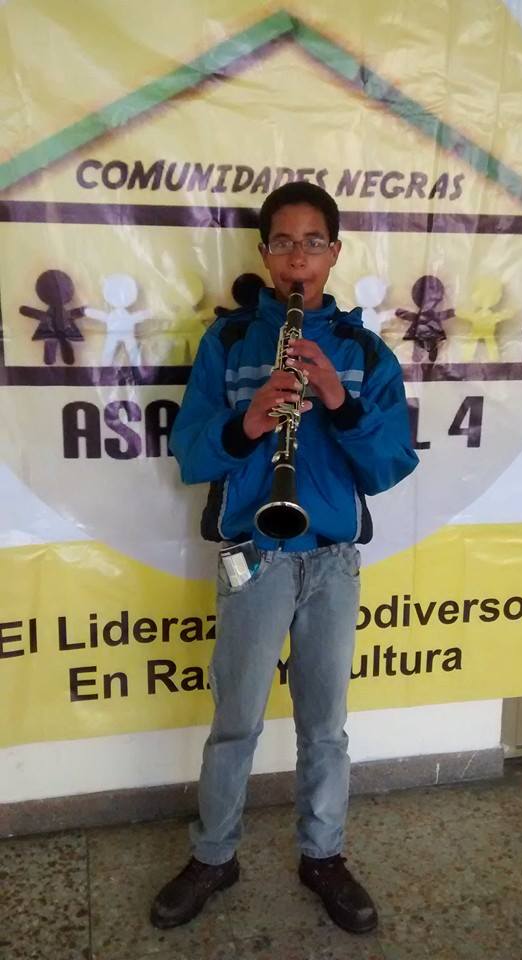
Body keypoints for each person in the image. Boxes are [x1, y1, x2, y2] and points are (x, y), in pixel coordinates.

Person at [150, 182, 419, 935]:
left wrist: (337, 398)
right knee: (235, 719)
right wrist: (249, 422)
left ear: (334, 253)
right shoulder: (231, 342)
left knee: (325, 726)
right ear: (265, 253)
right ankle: (214, 855)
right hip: (254, 554)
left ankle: (322, 855)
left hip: (331, 559)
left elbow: (389, 465)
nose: (298, 257)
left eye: (313, 243)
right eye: (283, 243)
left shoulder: (363, 353)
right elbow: (191, 453)